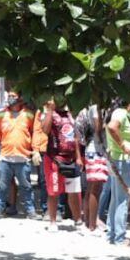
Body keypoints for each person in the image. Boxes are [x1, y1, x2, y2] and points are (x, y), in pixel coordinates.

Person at [0, 88, 41, 220]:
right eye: (9, 96)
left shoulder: (29, 115)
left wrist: (36, 150)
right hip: (5, 158)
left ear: (20, 98)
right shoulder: (1, 115)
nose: (11, 98)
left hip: (23, 158)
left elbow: (35, 133)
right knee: (1, 187)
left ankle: (30, 211)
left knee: (26, 187)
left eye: (13, 96)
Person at [37, 98, 83, 232]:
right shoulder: (49, 114)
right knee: (53, 191)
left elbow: (75, 136)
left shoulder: (70, 115)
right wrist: (50, 110)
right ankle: (52, 221)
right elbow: (45, 130)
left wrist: (78, 157)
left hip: (71, 159)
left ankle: (78, 221)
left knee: (74, 191)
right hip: (54, 158)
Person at [105, 93, 130, 245]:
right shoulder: (121, 113)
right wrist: (123, 145)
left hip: (119, 161)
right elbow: (112, 127)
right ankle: (120, 237)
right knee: (123, 200)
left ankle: (112, 234)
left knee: (116, 199)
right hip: (123, 162)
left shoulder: (118, 113)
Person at [77, 104, 108, 232]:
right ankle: (92, 225)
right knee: (95, 189)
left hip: (92, 150)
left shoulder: (90, 107)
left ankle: (88, 222)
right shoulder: (96, 108)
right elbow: (98, 129)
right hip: (97, 150)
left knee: (91, 188)